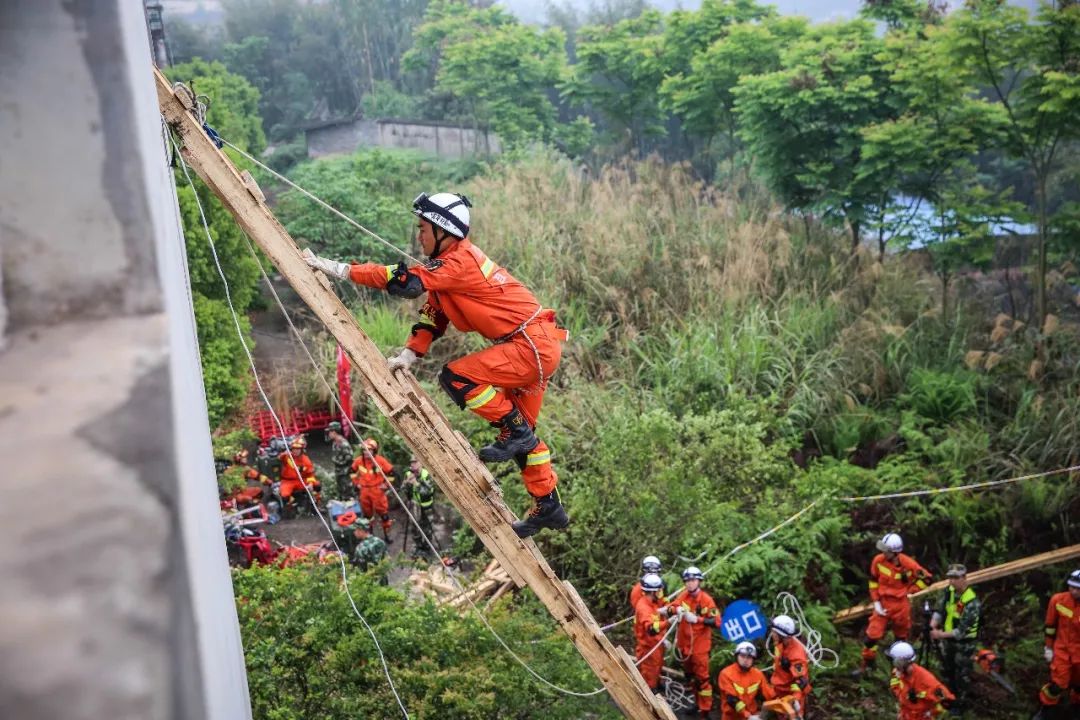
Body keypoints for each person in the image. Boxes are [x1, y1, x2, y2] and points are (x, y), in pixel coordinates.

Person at [303, 192, 570, 538]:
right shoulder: (448, 274)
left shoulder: (459, 262)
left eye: (423, 227)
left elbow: (404, 283)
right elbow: (433, 317)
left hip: (530, 345)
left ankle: (514, 431)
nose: (419, 235)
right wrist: (410, 354)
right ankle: (548, 504)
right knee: (528, 443)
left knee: (457, 377)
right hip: (537, 346)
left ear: (443, 230)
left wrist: (340, 269)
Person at [856, 532, 932, 677]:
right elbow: (873, 581)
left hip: (901, 605)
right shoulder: (878, 561)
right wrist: (876, 601)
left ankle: (898, 671)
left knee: (901, 639)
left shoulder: (909, 564)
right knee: (871, 637)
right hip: (883, 603)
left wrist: (911, 590)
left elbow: (927, 579)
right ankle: (866, 667)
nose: (883, 552)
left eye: (887, 550)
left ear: (895, 552)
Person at [666, 566, 721, 718]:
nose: (690, 584)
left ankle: (706, 710)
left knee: (703, 680)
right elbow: (672, 606)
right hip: (685, 647)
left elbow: (717, 622)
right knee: (690, 677)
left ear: (699, 581)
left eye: (693, 580)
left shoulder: (706, 600)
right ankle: (696, 703)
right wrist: (674, 610)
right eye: (687, 581)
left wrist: (698, 619)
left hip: (699, 648)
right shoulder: (684, 597)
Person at [930, 564, 981, 714]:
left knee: (962, 675)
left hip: (964, 644)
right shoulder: (949, 592)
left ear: (964, 578)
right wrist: (933, 625)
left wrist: (939, 635)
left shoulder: (972, 602)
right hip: (948, 641)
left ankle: (961, 705)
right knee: (947, 669)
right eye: (950, 578)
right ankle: (948, 697)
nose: (952, 581)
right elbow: (940, 610)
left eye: (956, 578)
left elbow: (961, 632)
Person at [1034, 569, 1080, 719]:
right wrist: (1048, 647)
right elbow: (1050, 625)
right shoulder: (1058, 600)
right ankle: (1045, 711)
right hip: (1062, 650)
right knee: (1057, 684)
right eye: (1071, 587)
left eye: (1077, 588)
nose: (1073, 591)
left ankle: (1075, 710)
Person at [887, 641, 954, 719]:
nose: (894, 665)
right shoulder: (897, 673)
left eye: (894, 661)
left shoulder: (926, 680)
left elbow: (948, 701)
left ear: (901, 663)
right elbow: (895, 688)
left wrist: (931, 713)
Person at [351, 437, 395, 542]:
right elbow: (352, 471)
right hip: (364, 492)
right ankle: (369, 537)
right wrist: (356, 483)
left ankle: (387, 536)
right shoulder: (358, 461)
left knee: (384, 515)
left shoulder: (380, 461)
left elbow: (392, 473)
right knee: (367, 517)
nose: (366, 452)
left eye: (368, 450)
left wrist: (386, 485)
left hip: (378, 491)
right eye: (364, 450)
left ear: (374, 450)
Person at [767, 614, 811, 718]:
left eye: (774, 632)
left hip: (790, 693)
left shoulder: (796, 655)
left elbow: (801, 682)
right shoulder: (780, 643)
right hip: (779, 688)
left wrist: (794, 699)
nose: (772, 634)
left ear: (782, 635)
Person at [717, 641, 774, 720]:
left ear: (753, 660)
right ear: (736, 656)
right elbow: (732, 700)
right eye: (742, 656)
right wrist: (748, 716)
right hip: (732, 717)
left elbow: (768, 692)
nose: (745, 660)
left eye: (749, 657)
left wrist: (782, 701)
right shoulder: (726, 674)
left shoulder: (757, 674)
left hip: (752, 714)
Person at [634, 572, 670, 694]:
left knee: (657, 670)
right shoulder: (644, 607)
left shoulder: (652, 603)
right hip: (648, 648)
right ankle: (650, 698)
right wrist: (668, 622)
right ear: (653, 591)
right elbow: (651, 629)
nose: (661, 593)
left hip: (655, 646)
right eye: (659, 591)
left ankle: (656, 687)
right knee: (649, 678)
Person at [403, 457, 436, 555]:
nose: (413, 465)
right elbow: (403, 488)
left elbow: (428, 492)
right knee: (414, 527)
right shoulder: (408, 474)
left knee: (427, 528)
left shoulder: (427, 475)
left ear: (421, 463)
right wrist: (407, 484)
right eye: (411, 463)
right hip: (415, 506)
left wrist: (416, 484)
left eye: (415, 462)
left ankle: (427, 548)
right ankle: (418, 546)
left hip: (426, 507)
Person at [278, 435, 320, 508]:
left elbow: (310, 474)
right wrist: (284, 453)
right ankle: (293, 505)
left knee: (317, 485)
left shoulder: (306, 460)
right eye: (294, 449)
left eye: (298, 449)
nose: (295, 451)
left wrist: (310, 483)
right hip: (287, 481)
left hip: (301, 480)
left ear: (302, 450)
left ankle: (316, 504)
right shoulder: (287, 457)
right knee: (285, 496)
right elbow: (279, 458)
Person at [325, 421, 353, 497]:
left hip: (345, 473)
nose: (329, 434)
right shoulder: (335, 442)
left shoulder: (343, 444)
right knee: (340, 492)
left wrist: (337, 461)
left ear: (334, 432)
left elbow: (349, 458)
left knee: (347, 493)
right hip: (339, 472)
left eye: (330, 432)